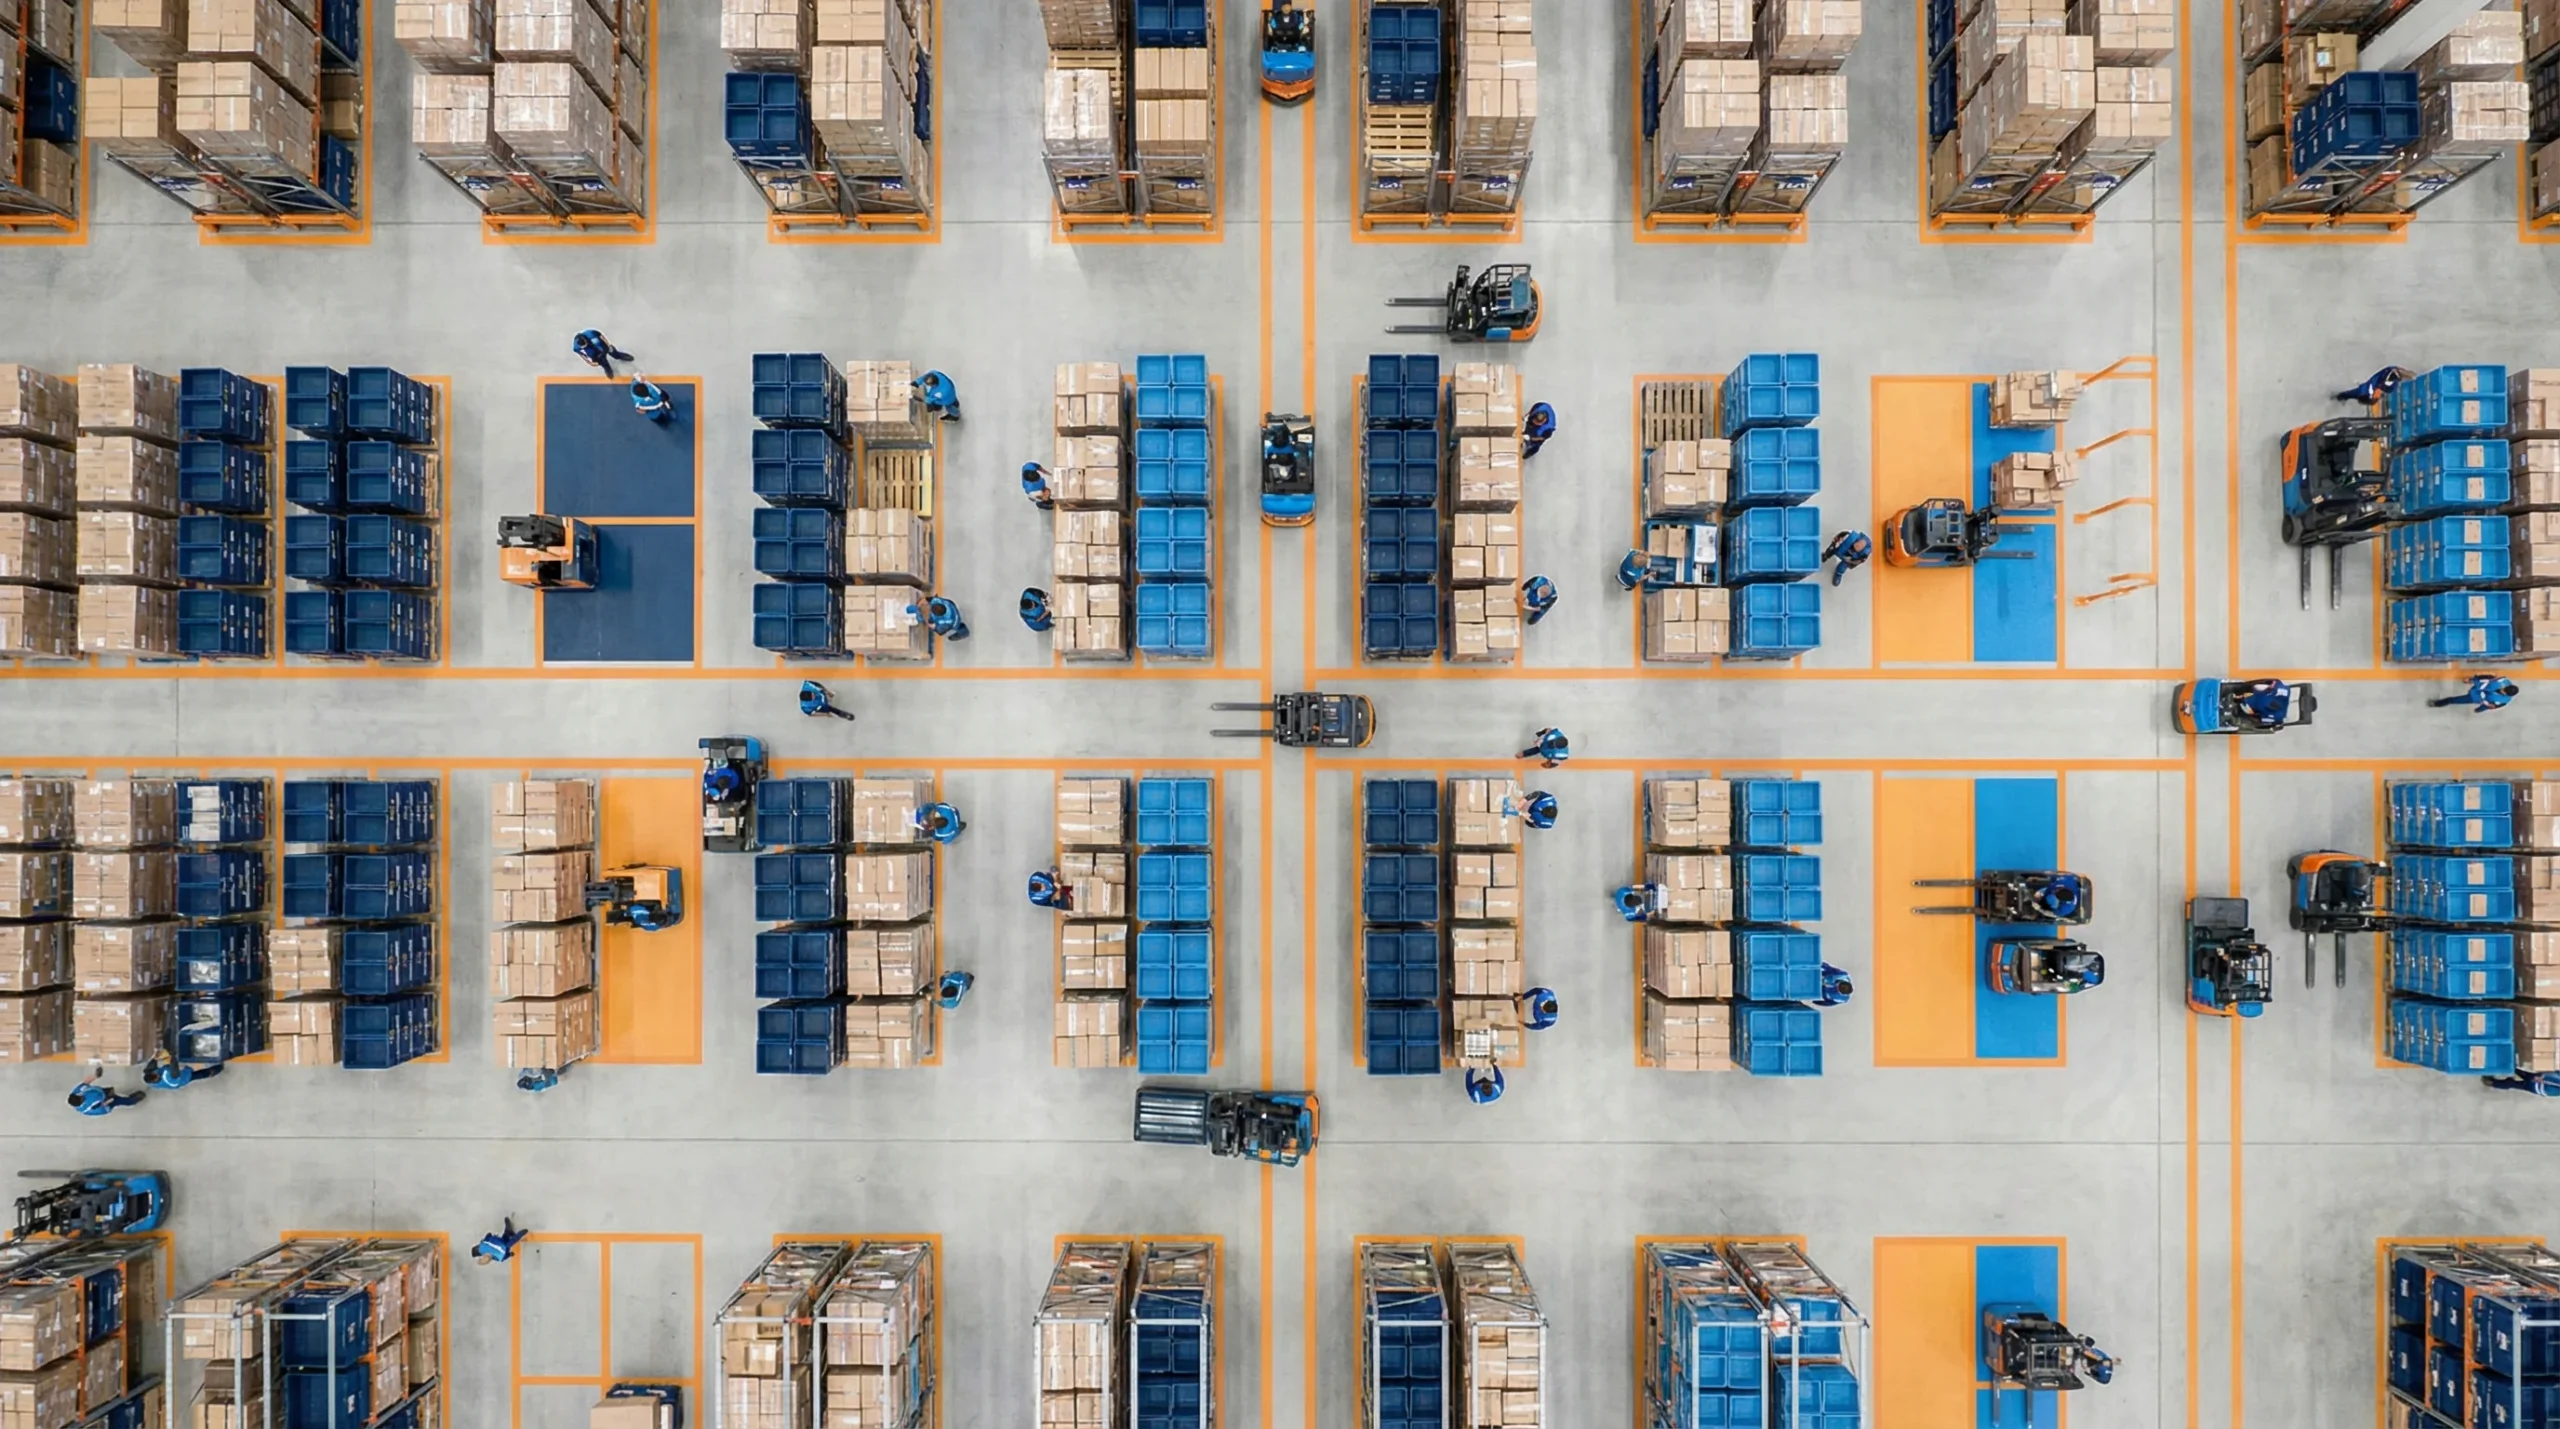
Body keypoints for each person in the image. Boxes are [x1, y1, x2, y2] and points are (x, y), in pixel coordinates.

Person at [67, 1071, 143, 1117]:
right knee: (119, 1100)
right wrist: (111, 1099)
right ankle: (133, 1100)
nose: (81, 1095)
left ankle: (109, 1093)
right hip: (105, 1104)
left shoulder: (77, 1092)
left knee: (110, 1090)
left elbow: (85, 1082)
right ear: (81, 1101)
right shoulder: (88, 1107)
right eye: (81, 1097)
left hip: (99, 1093)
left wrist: (96, 1075)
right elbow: (103, 1104)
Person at [2432, 674, 2520, 713]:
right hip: (2479, 687)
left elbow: (2490, 706)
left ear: (2506, 695)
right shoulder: (2503, 681)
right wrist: (2472, 680)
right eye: (2503, 689)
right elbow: (2489, 677)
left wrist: (2480, 709)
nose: (2501, 690)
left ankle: (2437, 704)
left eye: (2503, 692)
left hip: (2474, 697)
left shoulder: (2503, 701)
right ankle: (2469, 681)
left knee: (2453, 700)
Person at [2335, 366, 2413, 405]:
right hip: (2390, 377)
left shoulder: (2384, 384)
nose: (2379, 395)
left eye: (2377, 396)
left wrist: (2409, 376)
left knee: (2402, 374)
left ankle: (2340, 396)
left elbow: (2395, 371)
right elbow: (2350, 394)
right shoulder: (2386, 388)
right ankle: (2339, 397)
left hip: (2390, 371)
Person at [142, 1052, 221, 1091]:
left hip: (175, 1073)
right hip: (185, 1077)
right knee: (199, 1074)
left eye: (154, 1073)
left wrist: (155, 1058)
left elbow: (148, 1069)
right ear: (155, 1080)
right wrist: (173, 1056)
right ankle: (216, 1069)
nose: (157, 1074)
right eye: (156, 1076)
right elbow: (175, 1067)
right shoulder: (169, 1079)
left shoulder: (150, 1077)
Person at [2484, 1071, 2560, 1096]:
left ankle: (2490, 1082)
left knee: (2517, 1071)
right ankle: (2491, 1082)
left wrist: (2542, 1079)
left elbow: (2554, 1082)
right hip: (2538, 1089)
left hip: (2538, 1084)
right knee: (2514, 1083)